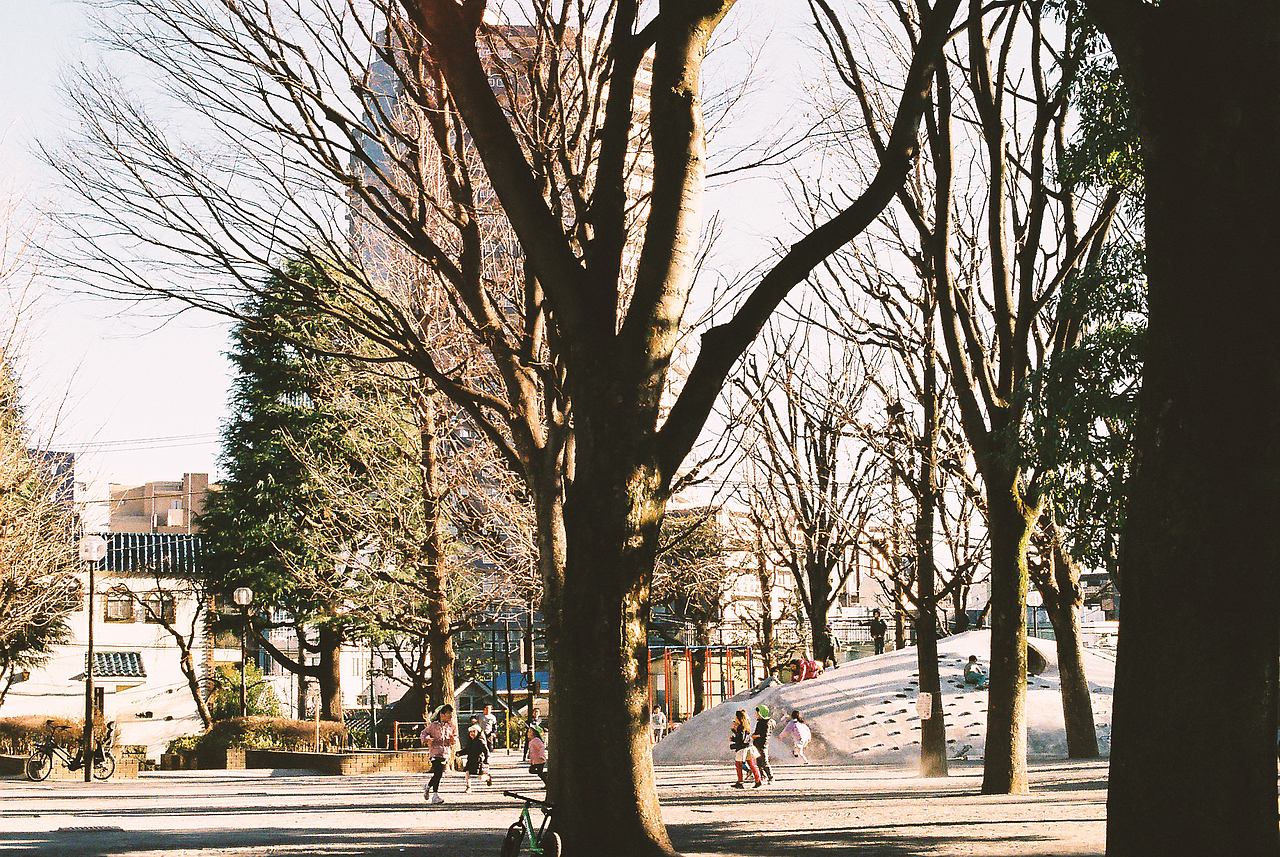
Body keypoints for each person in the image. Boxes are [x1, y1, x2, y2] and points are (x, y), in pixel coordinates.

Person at [421, 704, 459, 804]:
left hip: (445, 753)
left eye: (451, 714)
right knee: (438, 772)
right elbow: (423, 733)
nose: (450, 716)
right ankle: (435, 795)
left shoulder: (452, 727)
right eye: (448, 714)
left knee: (438, 774)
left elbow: (455, 739)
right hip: (434, 752)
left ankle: (428, 786)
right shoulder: (433, 725)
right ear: (442, 714)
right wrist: (428, 739)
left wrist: (452, 739)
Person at [729, 709, 762, 789]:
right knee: (752, 764)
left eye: (736, 717)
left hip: (742, 749)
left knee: (738, 765)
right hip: (749, 747)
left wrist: (733, 740)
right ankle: (758, 780)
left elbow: (741, 739)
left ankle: (740, 782)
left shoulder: (740, 727)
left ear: (739, 718)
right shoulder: (746, 726)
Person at [460, 723, 492, 793]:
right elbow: (467, 750)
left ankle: (487, 778)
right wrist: (460, 753)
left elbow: (486, 751)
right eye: (470, 732)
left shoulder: (480, 741)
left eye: (474, 732)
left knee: (481, 777)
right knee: (467, 773)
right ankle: (468, 787)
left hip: (478, 761)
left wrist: (486, 760)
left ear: (478, 732)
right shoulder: (469, 741)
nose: (472, 733)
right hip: (470, 759)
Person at [751, 704, 775, 784]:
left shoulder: (767, 722)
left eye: (757, 713)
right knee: (758, 762)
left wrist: (755, 736)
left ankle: (771, 777)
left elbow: (765, 734)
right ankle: (762, 776)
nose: (756, 715)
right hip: (756, 744)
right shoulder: (759, 722)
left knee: (764, 762)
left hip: (762, 744)